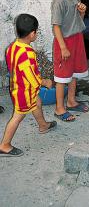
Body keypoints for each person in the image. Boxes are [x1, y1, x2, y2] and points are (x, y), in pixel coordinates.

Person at [0, 14, 56, 157]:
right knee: (18, 116)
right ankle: (5, 145)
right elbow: (31, 77)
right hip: (23, 91)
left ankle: (43, 125)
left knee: (37, 102)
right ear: (32, 34)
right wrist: (46, 82)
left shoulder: (12, 47)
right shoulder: (27, 53)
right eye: (36, 31)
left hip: (19, 87)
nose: (36, 33)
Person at [51, 0, 89, 122]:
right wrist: (63, 47)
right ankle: (59, 109)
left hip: (76, 39)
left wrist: (82, 12)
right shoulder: (59, 0)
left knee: (74, 72)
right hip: (64, 42)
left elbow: (77, 22)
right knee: (62, 77)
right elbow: (56, 26)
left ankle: (71, 101)